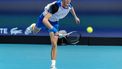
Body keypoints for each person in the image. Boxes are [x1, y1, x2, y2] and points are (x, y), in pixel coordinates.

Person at [25, 0, 80, 69]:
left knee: (54, 44)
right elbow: (45, 20)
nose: (68, 1)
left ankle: (53, 65)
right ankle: (33, 26)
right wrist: (55, 31)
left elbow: (71, 8)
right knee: (34, 32)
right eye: (67, 0)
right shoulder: (55, 6)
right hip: (44, 19)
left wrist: (75, 17)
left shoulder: (68, 4)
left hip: (54, 22)